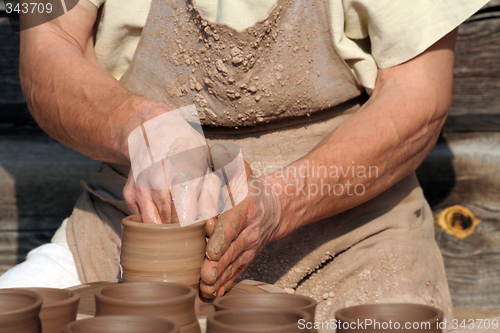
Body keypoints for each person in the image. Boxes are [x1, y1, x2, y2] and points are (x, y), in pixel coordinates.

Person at [0, 0, 489, 326]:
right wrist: (141, 125)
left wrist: (278, 203)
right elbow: (47, 48)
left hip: (353, 233)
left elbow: (419, 94)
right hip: (131, 229)